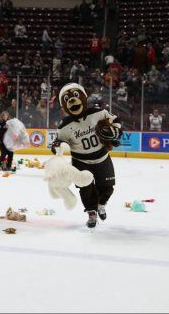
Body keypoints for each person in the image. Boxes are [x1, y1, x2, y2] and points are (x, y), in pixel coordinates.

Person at [50, 83, 122, 228]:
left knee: (107, 187)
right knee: (86, 189)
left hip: (102, 157)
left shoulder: (98, 112)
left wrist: (116, 131)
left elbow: (116, 121)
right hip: (80, 161)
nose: (72, 101)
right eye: (67, 99)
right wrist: (58, 146)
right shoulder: (64, 125)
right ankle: (91, 212)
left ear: (84, 97)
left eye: (76, 96)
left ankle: (101, 204)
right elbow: (56, 143)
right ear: (63, 105)